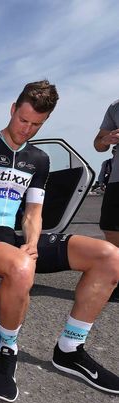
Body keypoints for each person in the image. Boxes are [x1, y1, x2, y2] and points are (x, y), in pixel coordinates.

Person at [0, 80, 119, 402]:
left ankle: (70, 349)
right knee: (22, 268)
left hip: (12, 238)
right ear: (13, 109)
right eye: (23, 120)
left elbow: (33, 213)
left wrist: (34, 242)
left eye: (36, 124)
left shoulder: (39, 159)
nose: (26, 129)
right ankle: (7, 350)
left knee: (108, 256)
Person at [94, 100, 119, 301]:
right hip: (117, 177)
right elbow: (98, 145)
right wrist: (106, 139)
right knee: (111, 228)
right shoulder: (115, 107)